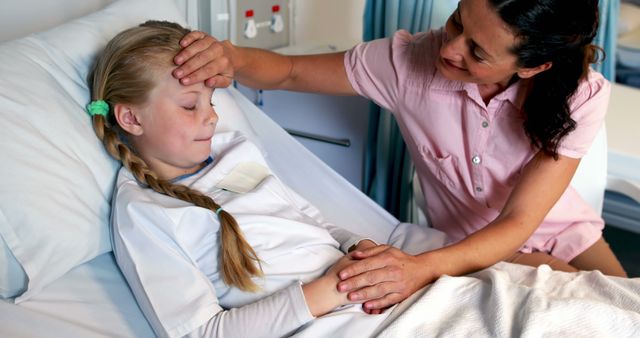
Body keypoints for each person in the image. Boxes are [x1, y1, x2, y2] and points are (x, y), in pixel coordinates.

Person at [172, 0, 629, 313]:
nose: (449, 48)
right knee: (593, 309)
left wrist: (417, 270)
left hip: (567, 231)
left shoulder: (581, 94)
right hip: (471, 248)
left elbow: (519, 222)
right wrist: (229, 56)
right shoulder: (409, 63)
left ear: (531, 66)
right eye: (457, 22)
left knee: (627, 304)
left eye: (477, 50)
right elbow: (290, 71)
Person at [86, 20, 444, 337]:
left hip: (374, 293)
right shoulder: (144, 211)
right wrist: (335, 288)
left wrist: (355, 246)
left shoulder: (236, 149)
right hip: (336, 320)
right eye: (189, 105)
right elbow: (202, 332)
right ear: (131, 118)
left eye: (211, 101)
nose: (211, 117)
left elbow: (311, 220)